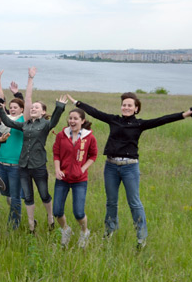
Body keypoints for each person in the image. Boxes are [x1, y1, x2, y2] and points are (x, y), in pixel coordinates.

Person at [68, 93, 192, 248]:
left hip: (130, 167)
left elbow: (162, 120)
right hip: (111, 166)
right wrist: (78, 103)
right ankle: (110, 231)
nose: (126, 107)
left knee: (134, 202)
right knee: (111, 202)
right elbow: (95, 112)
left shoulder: (139, 124)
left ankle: (141, 237)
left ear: (136, 108)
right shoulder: (114, 119)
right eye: (124, 105)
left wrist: (185, 114)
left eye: (129, 105)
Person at [0, 94, 67, 234]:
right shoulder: (25, 125)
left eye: (37, 107)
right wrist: (0, 109)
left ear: (43, 112)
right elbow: (9, 123)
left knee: (44, 194)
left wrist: (59, 107)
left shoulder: (46, 125)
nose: (33, 108)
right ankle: (31, 226)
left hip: (39, 165)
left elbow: (54, 121)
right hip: (23, 166)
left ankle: (50, 217)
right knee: (28, 197)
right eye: (32, 107)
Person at [0, 68, 36, 228]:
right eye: (10, 106)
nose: (12, 108)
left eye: (15, 107)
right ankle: (22, 206)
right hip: (1, 162)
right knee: (7, 194)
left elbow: (29, 99)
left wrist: (30, 78)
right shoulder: (5, 120)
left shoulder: (24, 120)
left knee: (15, 197)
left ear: (22, 109)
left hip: (15, 165)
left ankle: (14, 226)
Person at [52, 109, 98, 247]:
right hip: (63, 179)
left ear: (82, 121)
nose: (72, 121)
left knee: (78, 213)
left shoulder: (89, 137)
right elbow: (56, 154)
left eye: (75, 118)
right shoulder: (61, 135)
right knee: (57, 211)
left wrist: (83, 168)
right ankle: (66, 230)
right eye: (70, 118)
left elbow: (93, 155)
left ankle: (84, 232)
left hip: (80, 180)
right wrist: (57, 169)